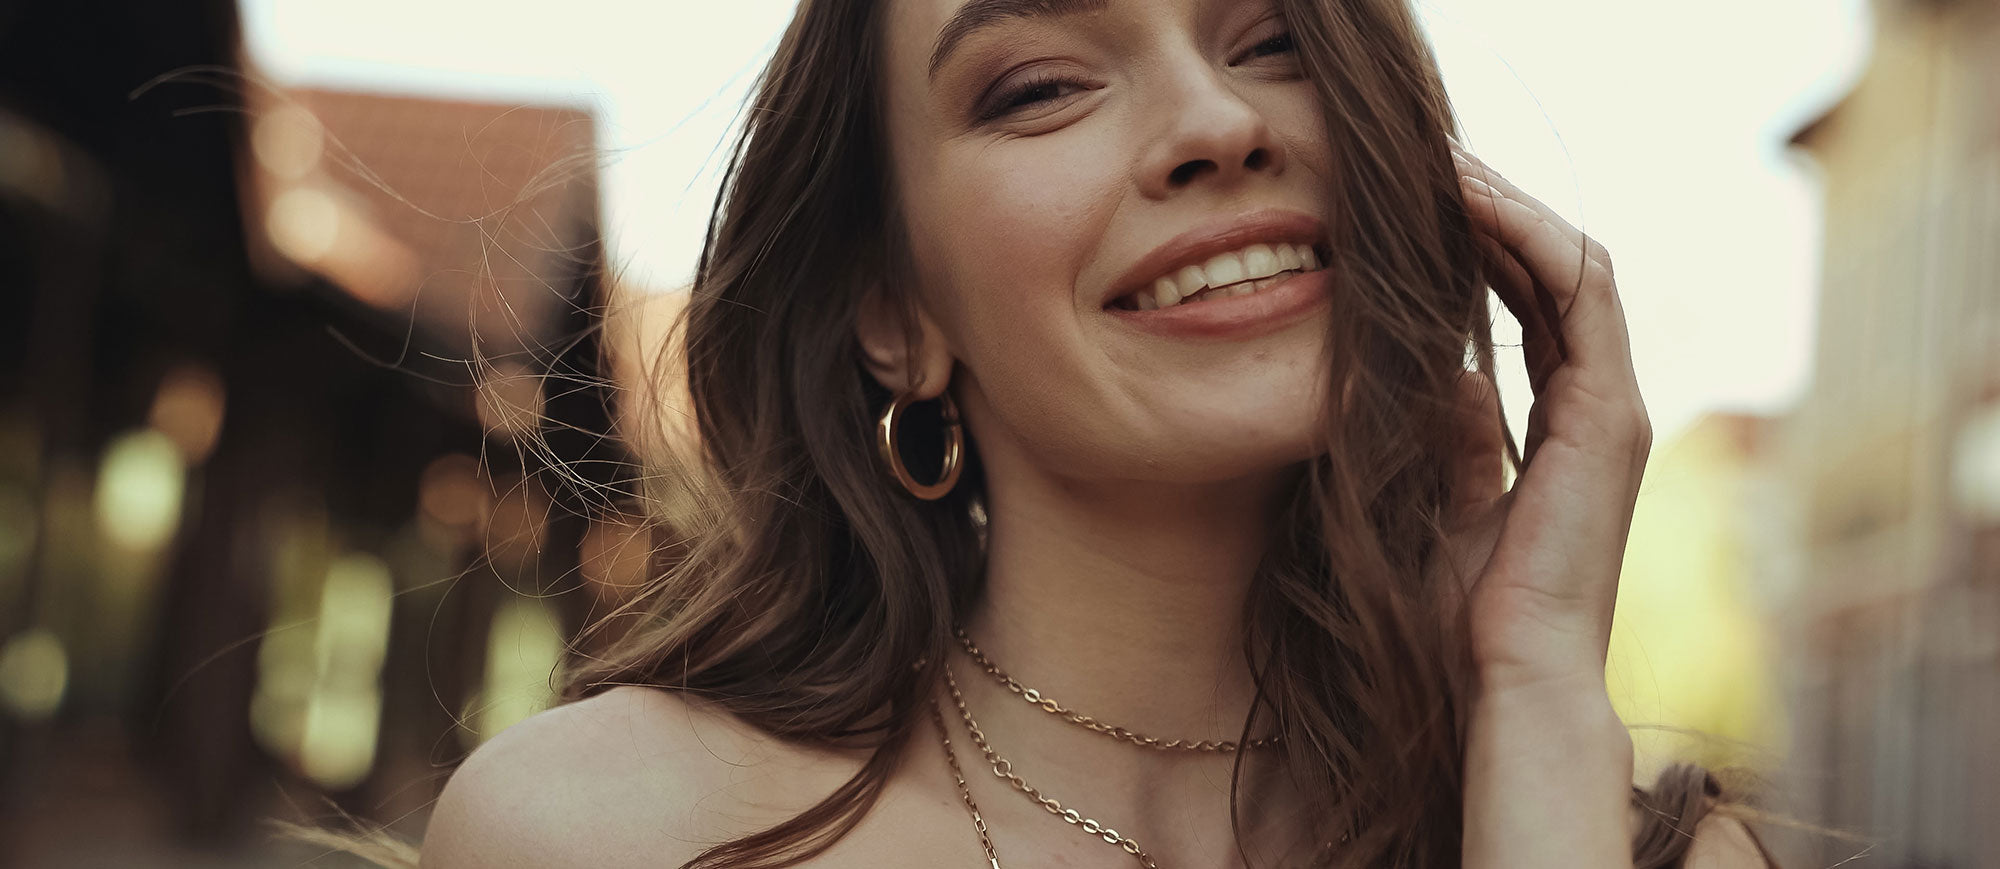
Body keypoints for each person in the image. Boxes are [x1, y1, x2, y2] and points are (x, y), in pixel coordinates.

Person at [397, 0, 1784, 866]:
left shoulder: (1647, 853)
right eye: (1040, 85)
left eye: (1274, 41)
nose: (1217, 121)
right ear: (895, 307)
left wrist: (1535, 689)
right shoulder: (602, 834)